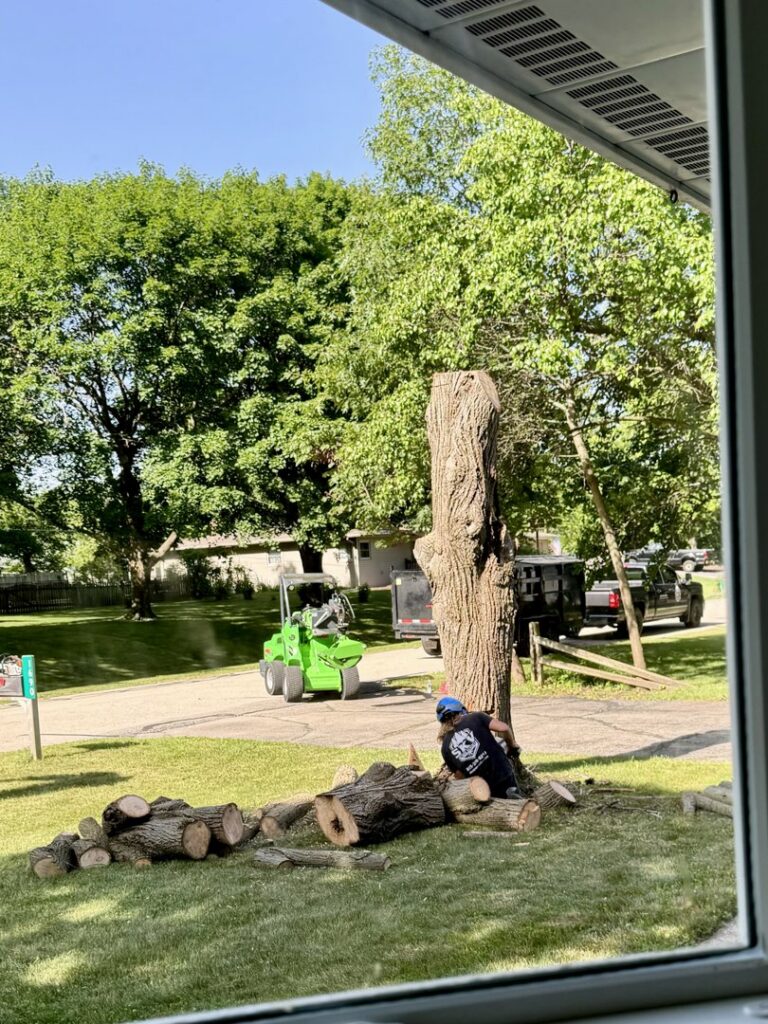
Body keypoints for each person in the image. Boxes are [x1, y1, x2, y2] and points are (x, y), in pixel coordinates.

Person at [436, 695, 522, 799]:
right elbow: (504, 728)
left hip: (482, 788)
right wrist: (512, 745)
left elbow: (460, 776)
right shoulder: (475, 717)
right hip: (502, 773)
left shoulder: (444, 748)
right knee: (500, 742)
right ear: (461, 709)